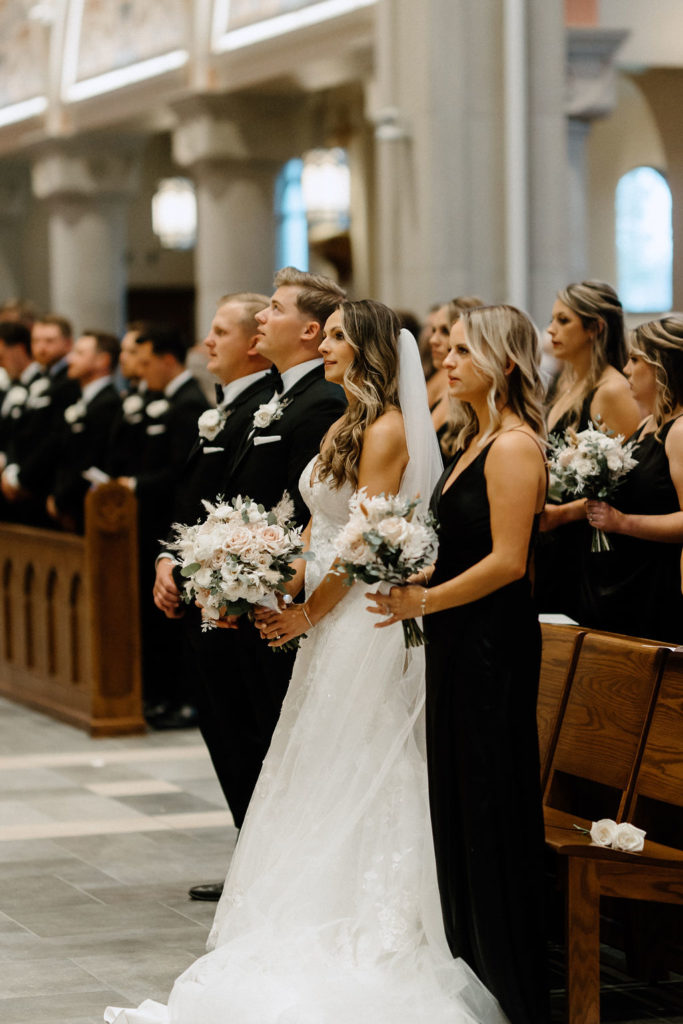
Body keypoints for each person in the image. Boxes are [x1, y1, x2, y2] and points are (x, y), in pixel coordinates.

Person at [105, 301, 508, 1024]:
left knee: (361, 762)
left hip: (362, 621)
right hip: (325, 616)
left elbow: (361, 548)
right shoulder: (342, 424)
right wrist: (257, 575)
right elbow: (316, 532)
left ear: (369, 352)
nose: (327, 346)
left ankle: (371, 921)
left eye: (341, 340)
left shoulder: (385, 431)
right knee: (311, 762)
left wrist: (304, 613)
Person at [368, 304, 549, 1024]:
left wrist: (427, 599)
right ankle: (470, 965)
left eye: (465, 352)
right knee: (455, 804)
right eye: (448, 350)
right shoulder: (476, 438)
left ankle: (512, 984)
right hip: (456, 639)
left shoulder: (512, 447)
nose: (447, 360)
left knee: (487, 805)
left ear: (504, 363)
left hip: (489, 645)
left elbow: (509, 563)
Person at [153, 269, 346, 898]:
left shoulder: (321, 401)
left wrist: (244, 576)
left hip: (270, 597)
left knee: (264, 730)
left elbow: (300, 509)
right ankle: (255, 859)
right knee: (233, 727)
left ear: (311, 330)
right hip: (230, 587)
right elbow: (222, 499)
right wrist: (183, 559)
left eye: (276, 308)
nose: (264, 317)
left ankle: (271, 869)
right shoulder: (279, 397)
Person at [535, 281, 641, 618]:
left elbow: (629, 479)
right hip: (557, 539)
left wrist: (563, 513)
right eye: (552, 319)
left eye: (563, 321)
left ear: (595, 328)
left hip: (590, 545)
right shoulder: (565, 381)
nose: (551, 330)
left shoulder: (613, 390)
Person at [581, 315, 683, 642]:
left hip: (659, 581)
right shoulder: (649, 422)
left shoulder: (679, 432)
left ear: (662, 367)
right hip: (630, 579)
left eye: (636, 359)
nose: (626, 369)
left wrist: (623, 523)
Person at [0, 314, 80, 527]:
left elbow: (53, 438)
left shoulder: (69, 381)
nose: (42, 347)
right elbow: (22, 432)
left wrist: (22, 478)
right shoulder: (42, 379)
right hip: (26, 477)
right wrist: (12, 468)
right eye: (37, 341)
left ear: (67, 343)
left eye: (49, 341)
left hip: (46, 484)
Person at [48, 330, 121, 533]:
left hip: (86, 508)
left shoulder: (108, 403)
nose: (70, 359)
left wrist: (63, 501)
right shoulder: (84, 399)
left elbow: (90, 458)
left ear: (103, 360)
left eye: (80, 353)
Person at [428, 297, 484, 454]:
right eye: (433, 330)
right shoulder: (442, 384)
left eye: (444, 331)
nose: (433, 340)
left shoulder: (469, 396)